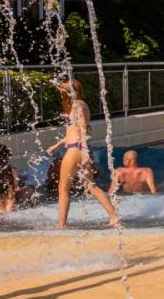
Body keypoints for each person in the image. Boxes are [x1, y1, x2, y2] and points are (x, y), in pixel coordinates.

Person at [47, 78, 119, 228]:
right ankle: (113, 216)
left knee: (63, 187)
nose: (63, 92)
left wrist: (85, 151)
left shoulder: (79, 105)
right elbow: (73, 131)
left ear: (75, 91)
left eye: (66, 90)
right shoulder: (76, 106)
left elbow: (83, 130)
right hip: (77, 147)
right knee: (91, 185)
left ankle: (61, 224)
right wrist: (57, 144)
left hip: (75, 149)